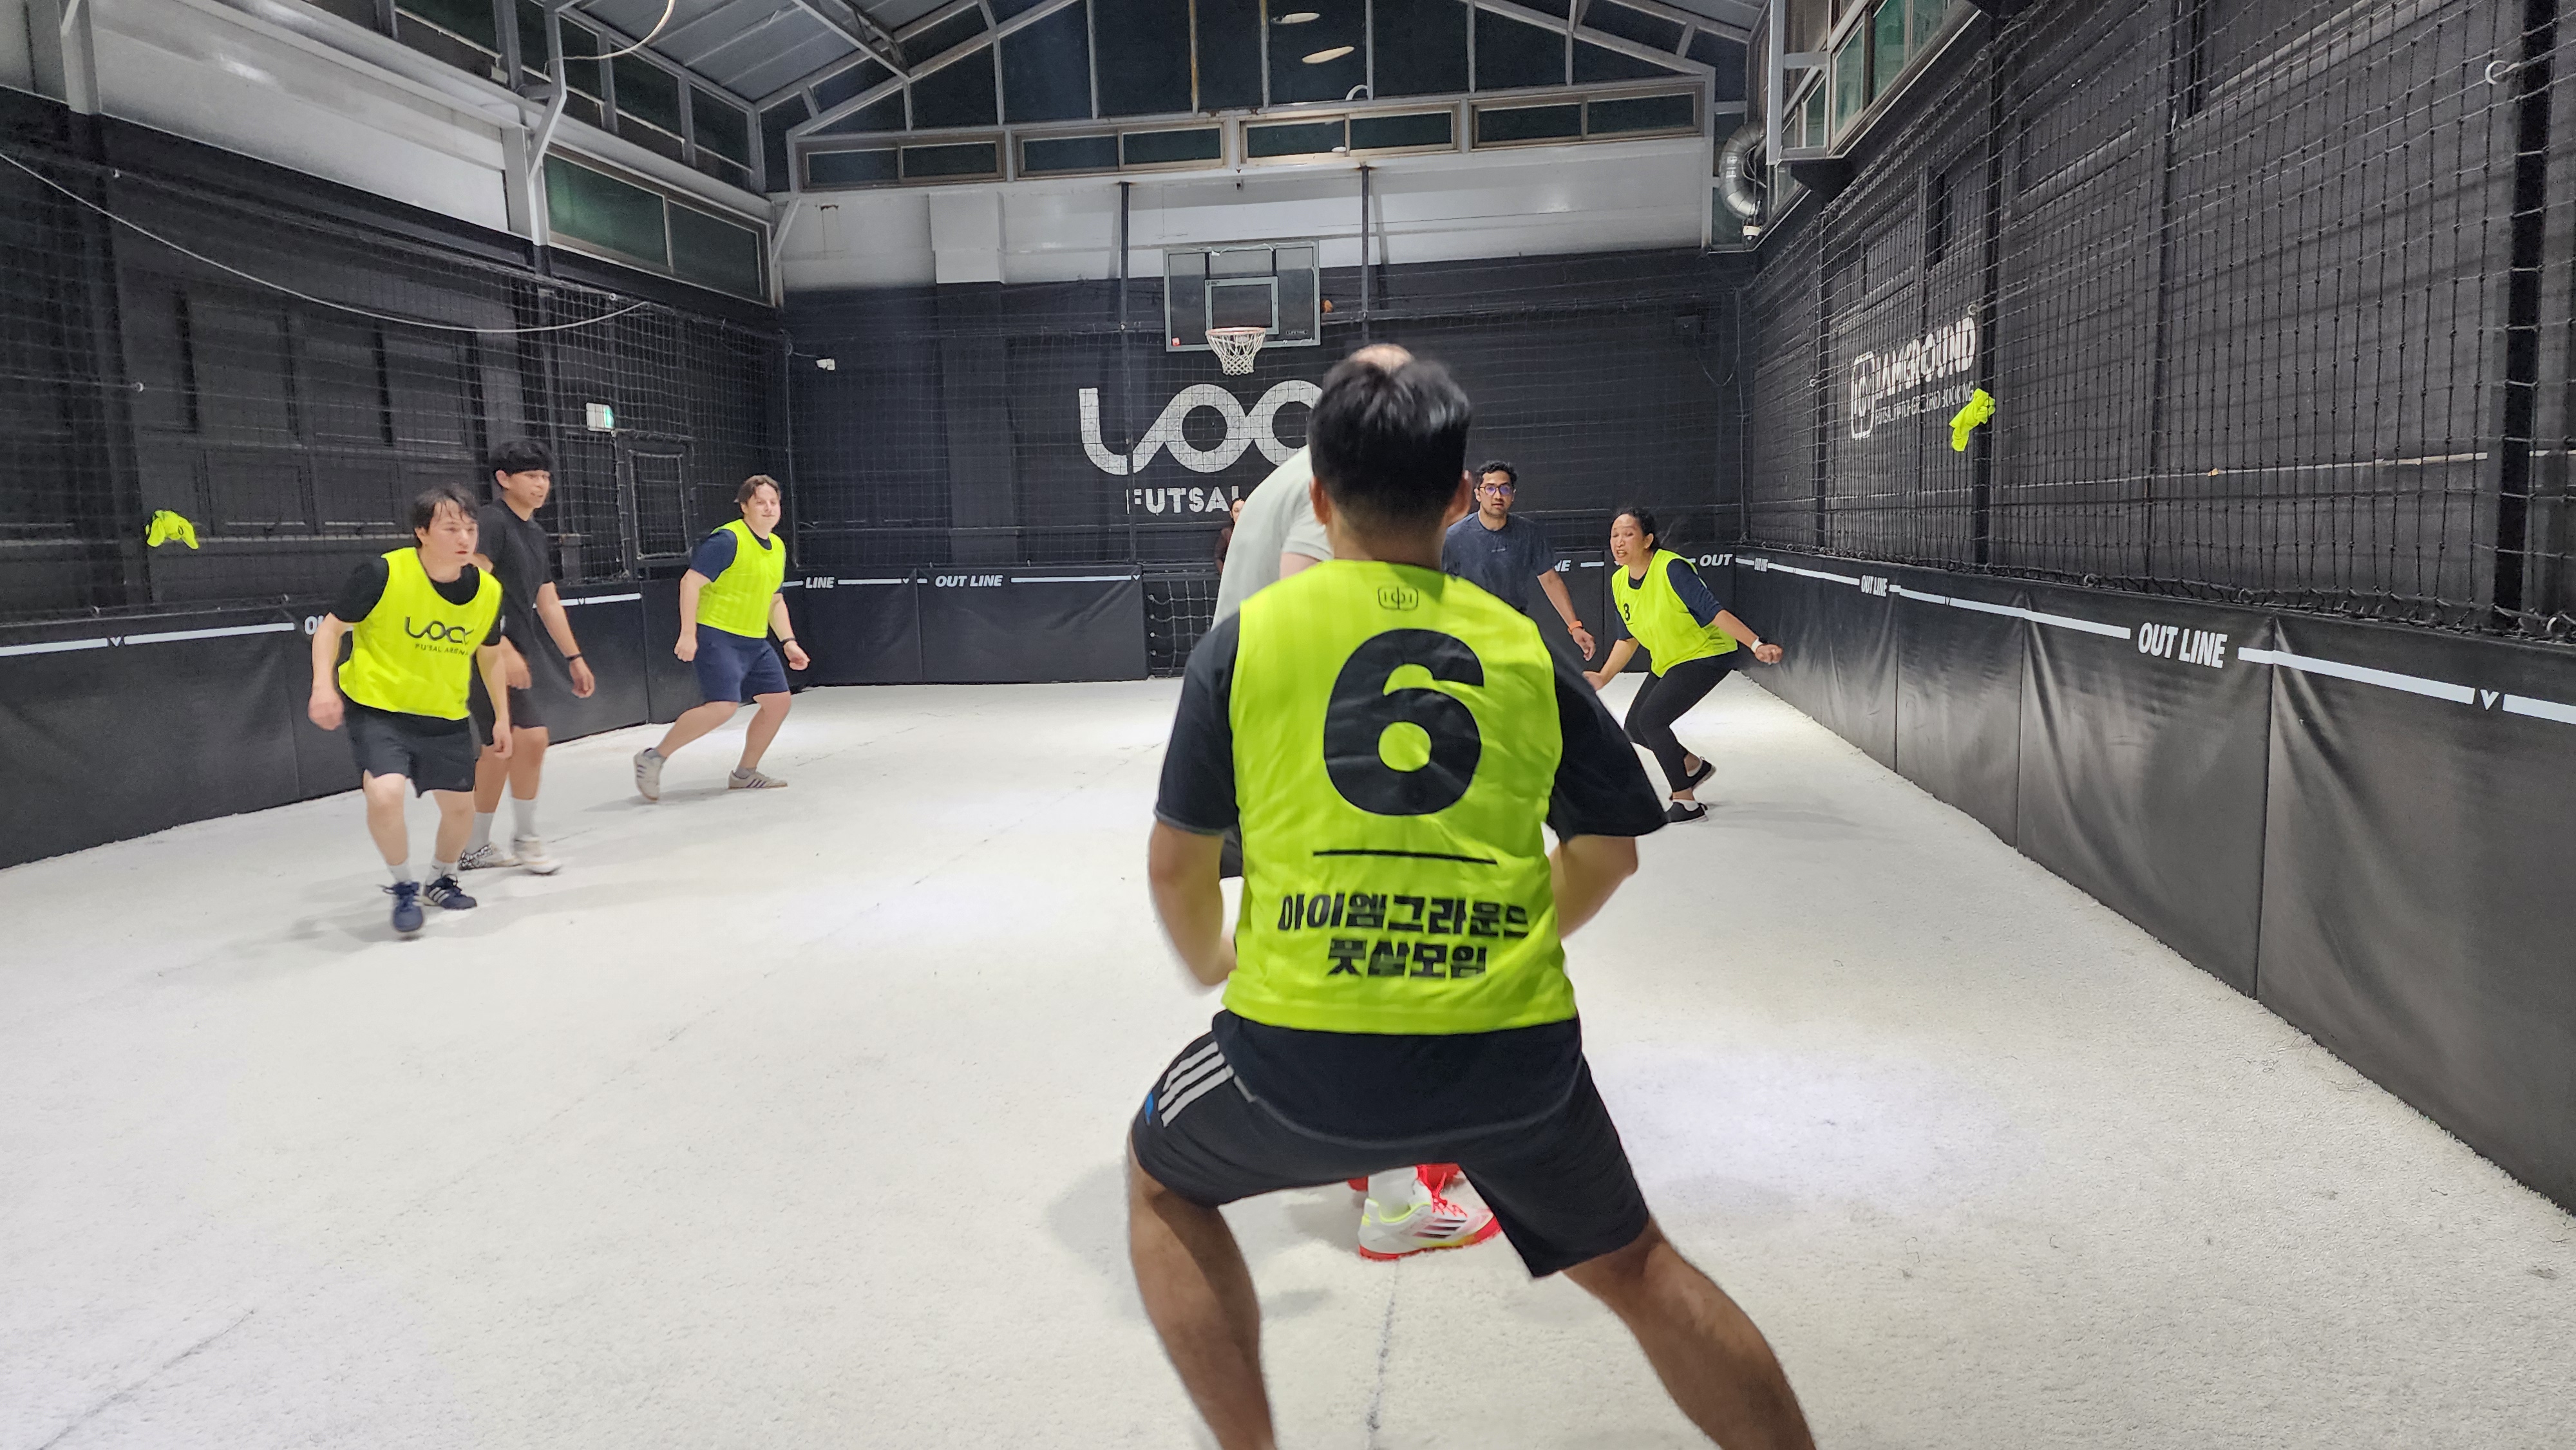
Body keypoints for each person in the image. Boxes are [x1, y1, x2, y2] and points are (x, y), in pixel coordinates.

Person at [1128, 357, 1816, 1450]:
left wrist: (1217, 960)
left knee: (1159, 1182)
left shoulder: (1241, 646)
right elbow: (1610, 851)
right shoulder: (1522, 652)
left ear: (1317, 497)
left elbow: (1178, 866)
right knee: (1639, 1266)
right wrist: (1501, 930)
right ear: (1460, 498)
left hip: (1305, 1056)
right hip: (1513, 1056)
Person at [1200, 344, 1487, 1259]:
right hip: (1310, 758)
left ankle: (1367, 1156)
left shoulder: (1302, 474)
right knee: (1378, 954)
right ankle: (1395, 1195)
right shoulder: (1340, 487)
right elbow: (1317, 606)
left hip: (1260, 751)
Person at [307, 485, 514, 936]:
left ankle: (440, 878)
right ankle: (403, 886)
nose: (464, 537)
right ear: (422, 532)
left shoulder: (488, 591)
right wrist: (323, 685)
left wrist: (501, 716)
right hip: (379, 708)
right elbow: (330, 630)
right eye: (451, 527)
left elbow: (490, 654)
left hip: (445, 714)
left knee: (462, 810)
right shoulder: (383, 573)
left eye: (471, 528)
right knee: (384, 794)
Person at [1584, 509, 1785, 823]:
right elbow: (1628, 638)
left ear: (1648, 540)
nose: (1619, 542)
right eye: (1614, 535)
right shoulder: (1619, 580)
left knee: (1652, 720)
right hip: (1670, 659)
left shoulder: (1672, 568)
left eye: (1628, 534)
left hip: (1706, 654)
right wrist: (1603, 676)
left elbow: (1714, 611)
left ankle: (1686, 801)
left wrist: (1756, 644)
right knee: (1635, 727)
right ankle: (1693, 765)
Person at [459, 440, 597, 875]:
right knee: (530, 736)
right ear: (503, 480)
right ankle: (526, 837)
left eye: (545, 476)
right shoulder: (491, 522)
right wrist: (497, 645)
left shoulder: (535, 533)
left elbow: (547, 600)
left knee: (501, 748)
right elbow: (468, 587)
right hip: (481, 649)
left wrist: (573, 656)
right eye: (531, 476)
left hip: (516, 647)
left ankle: (475, 846)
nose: (541, 485)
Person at [634, 475, 809, 800]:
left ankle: (744, 774)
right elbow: (690, 583)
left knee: (778, 702)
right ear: (745, 507)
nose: (769, 508)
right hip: (718, 635)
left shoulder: (778, 547)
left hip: (755, 641)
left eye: (774, 502)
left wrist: (788, 642)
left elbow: (775, 600)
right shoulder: (727, 540)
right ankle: (653, 758)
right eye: (761, 502)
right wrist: (688, 634)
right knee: (723, 707)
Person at [1439, 460, 1595, 661]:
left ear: (1513, 494)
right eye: (1490, 488)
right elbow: (1438, 586)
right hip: (1470, 635)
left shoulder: (1528, 533)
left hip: (1514, 630)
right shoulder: (1453, 538)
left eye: (1505, 488)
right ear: (1478, 494)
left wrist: (1575, 627)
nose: (1498, 495)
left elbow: (1550, 580)